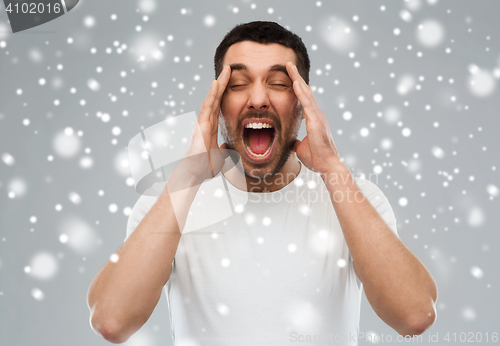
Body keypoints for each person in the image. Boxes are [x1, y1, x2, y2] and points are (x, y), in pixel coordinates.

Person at [87, 21, 438, 345]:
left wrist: (332, 166)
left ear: (303, 104)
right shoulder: (172, 201)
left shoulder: (352, 197)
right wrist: (188, 174)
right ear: (219, 103)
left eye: (280, 83)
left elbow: (413, 316)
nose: (257, 99)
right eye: (238, 84)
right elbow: (112, 322)